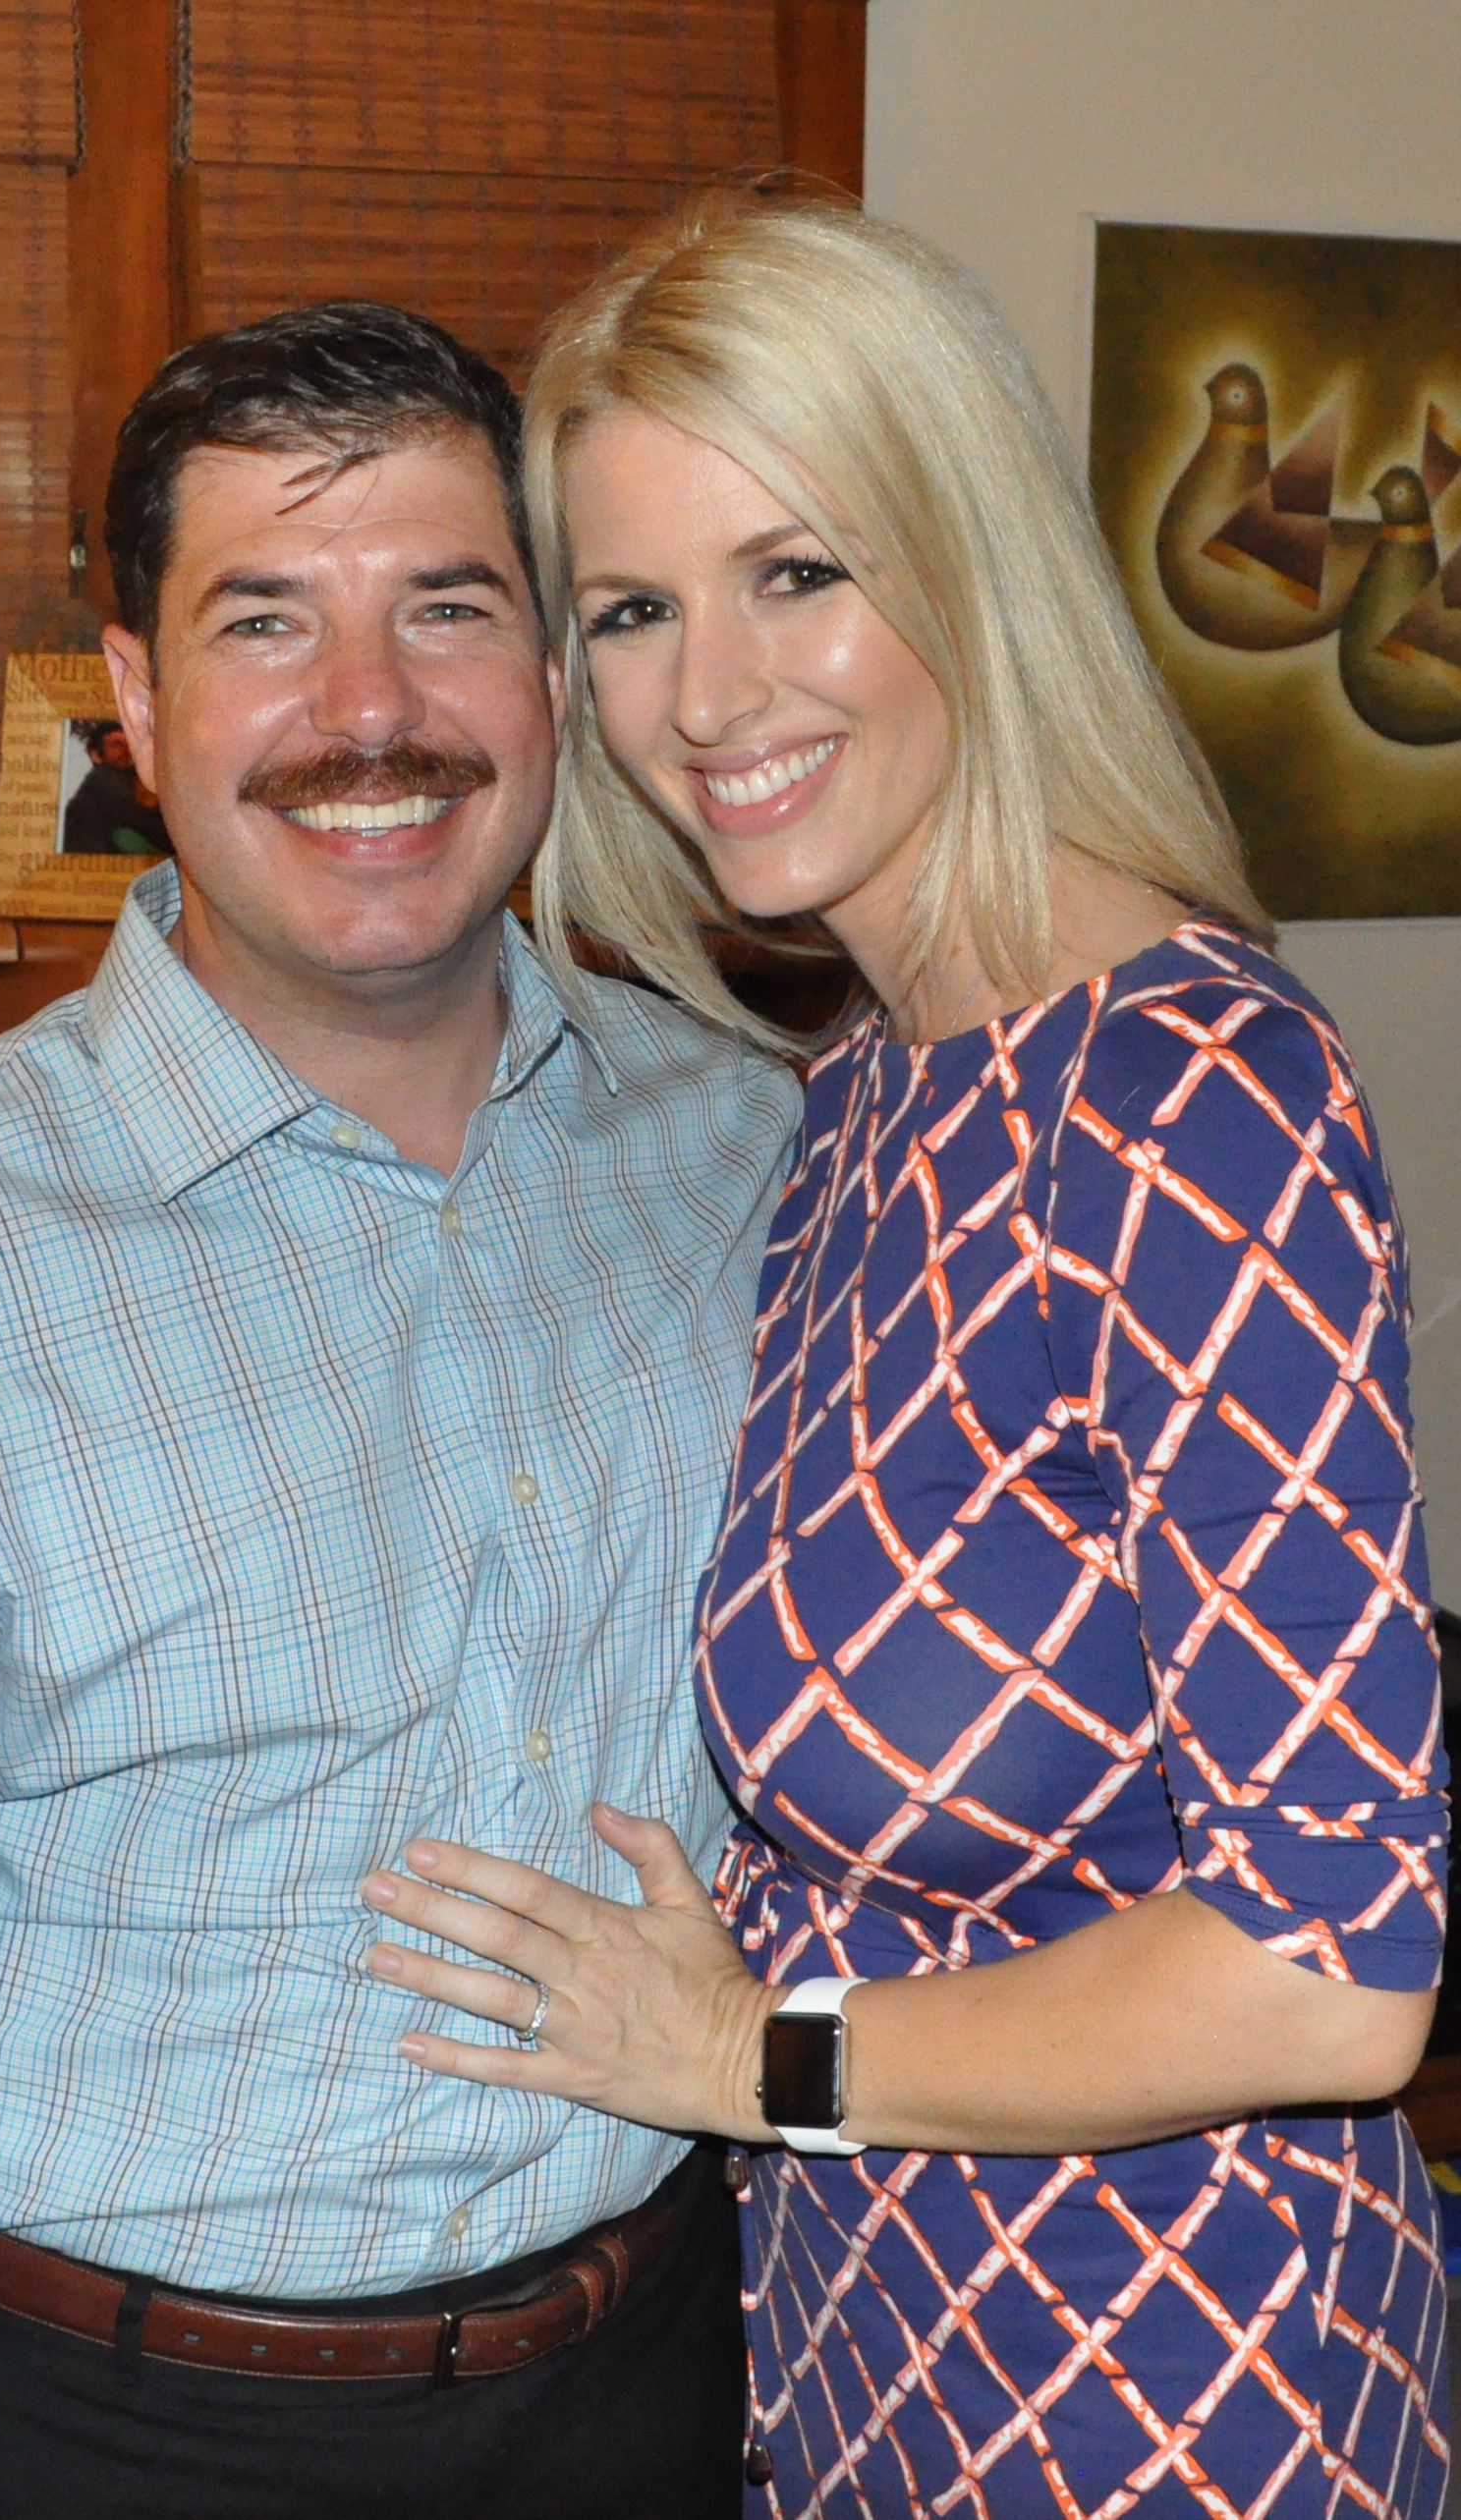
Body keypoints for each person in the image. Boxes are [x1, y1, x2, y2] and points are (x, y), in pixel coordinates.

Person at [360, 196, 1452, 2518]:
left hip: (1169, 2376)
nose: (709, 697)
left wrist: (750, 2054)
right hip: (873, 2336)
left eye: (797, 571)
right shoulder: (862, 1092)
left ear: (966, 562)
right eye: (633, 610)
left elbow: (1329, 1968)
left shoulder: (1187, 1094)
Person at [0, 300, 799, 2517]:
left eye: (448, 606)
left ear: (554, 675)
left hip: (668, 2377)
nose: (369, 709)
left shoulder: (756, 1153)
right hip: (128, 2435)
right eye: (266, 620)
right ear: (137, 706)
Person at [60, 717, 172, 854]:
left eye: (129, 744)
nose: (126, 750)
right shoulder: (102, 779)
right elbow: (144, 822)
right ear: (96, 755)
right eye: (116, 744)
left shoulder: (132, 778)